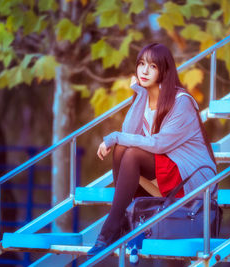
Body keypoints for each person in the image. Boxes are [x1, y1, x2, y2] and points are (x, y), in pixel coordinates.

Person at [87, 43, 217, 256]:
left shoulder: (181, 102)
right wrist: (139, 94)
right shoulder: (145, 99)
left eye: (152, 66)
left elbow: (159, 144)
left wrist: (113, 137)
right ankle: (119, 223)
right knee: (123, 150)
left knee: (132, 153)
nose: (144, 71)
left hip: (192, 177)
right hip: (167, 173)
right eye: (141, 64)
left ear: (164, 70)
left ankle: (111, 229)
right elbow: (128, 132)